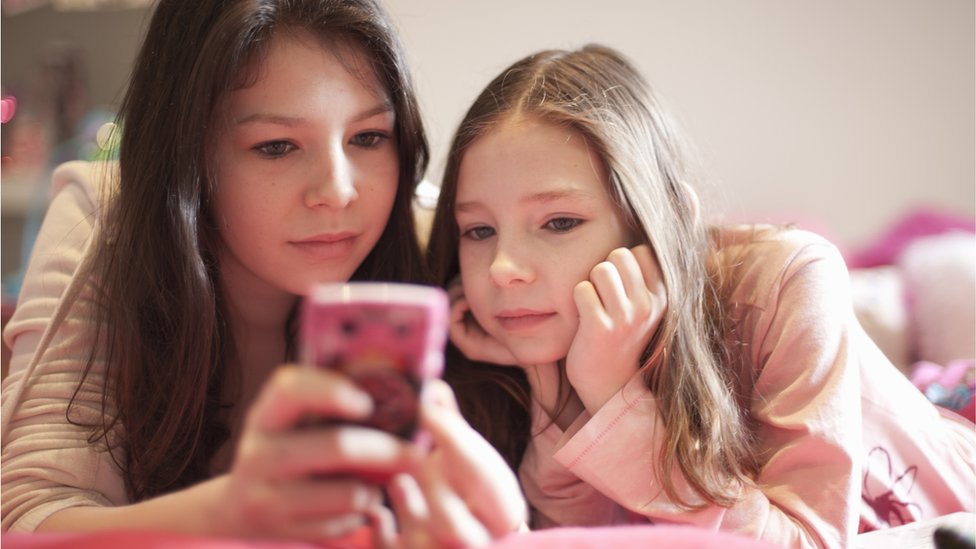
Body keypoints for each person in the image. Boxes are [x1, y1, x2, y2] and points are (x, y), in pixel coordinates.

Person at [0, 1, 525, 546]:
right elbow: (30, 515)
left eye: (369, 137)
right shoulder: (104, 221)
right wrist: (229, 513)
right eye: (276, 146)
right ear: (186, 155)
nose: (339, 191)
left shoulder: (443, 241)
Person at [426, 44, 976, 548]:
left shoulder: (791, 276)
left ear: (664, 226)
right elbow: (588, 538)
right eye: (479, 231)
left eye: (560, 222)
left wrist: (615, 394)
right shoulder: (533, 341)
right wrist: (563, 393)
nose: (502, 269)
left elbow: (806, 542)